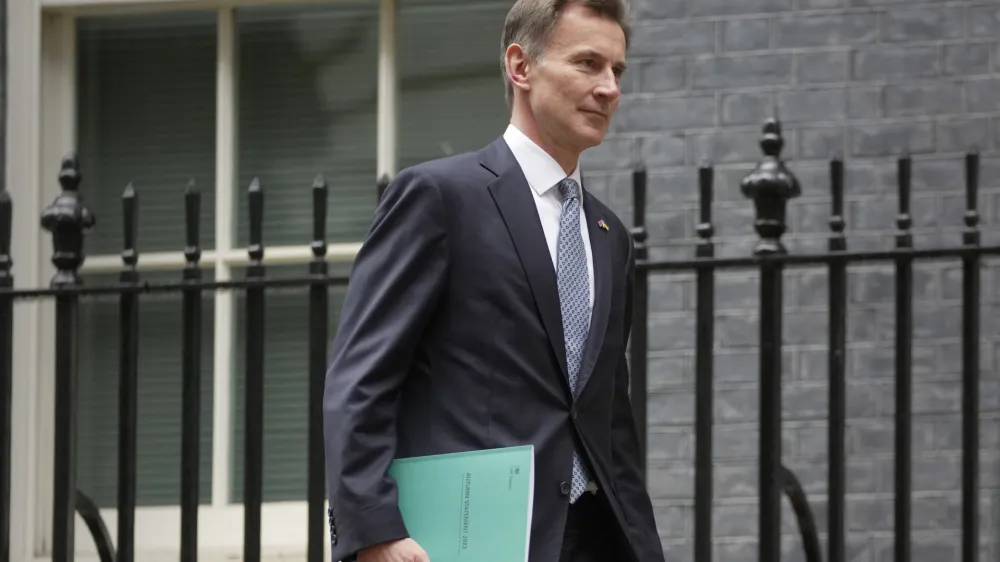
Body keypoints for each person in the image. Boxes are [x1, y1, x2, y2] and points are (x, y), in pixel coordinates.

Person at [322, 1, 665, 561]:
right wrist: (375, 529)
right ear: (520, 67)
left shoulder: (611, 235)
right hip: (471, 540)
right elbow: (361, 379)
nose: (609, 88)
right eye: (587, 63)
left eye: (617, 70)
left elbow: (607, 421)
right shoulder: (439, 198)